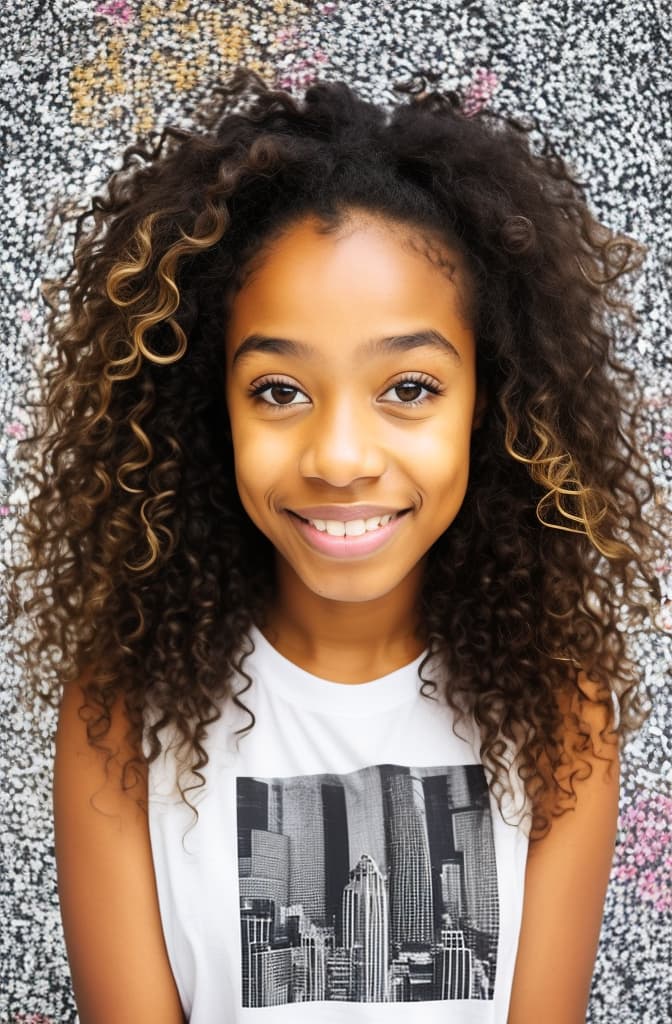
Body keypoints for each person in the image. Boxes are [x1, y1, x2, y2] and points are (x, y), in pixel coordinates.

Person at [8, 67, 666, 1024]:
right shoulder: (122, 716)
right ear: (211, 413)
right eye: (279, 391)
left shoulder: (560, 711)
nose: (343, 458)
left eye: (409, 388)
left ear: (491, 405)